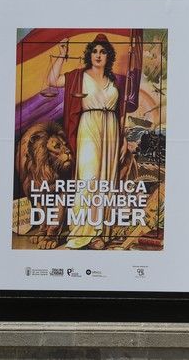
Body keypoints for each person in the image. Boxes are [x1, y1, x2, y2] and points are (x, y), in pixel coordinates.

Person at [47, 33, 138, 249]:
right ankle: (80, 232)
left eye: (103, 51)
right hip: (88, 127)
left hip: (110, 131)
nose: (98, 55)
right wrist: (61, 55)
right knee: (88, 180)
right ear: (90, 54)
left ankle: (97, 234)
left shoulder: (113, 81)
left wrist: (123, 140)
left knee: (104, 183)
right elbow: (52, 81)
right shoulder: (79, 76)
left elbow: (117, 114)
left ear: (108, 56)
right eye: (95, 51)